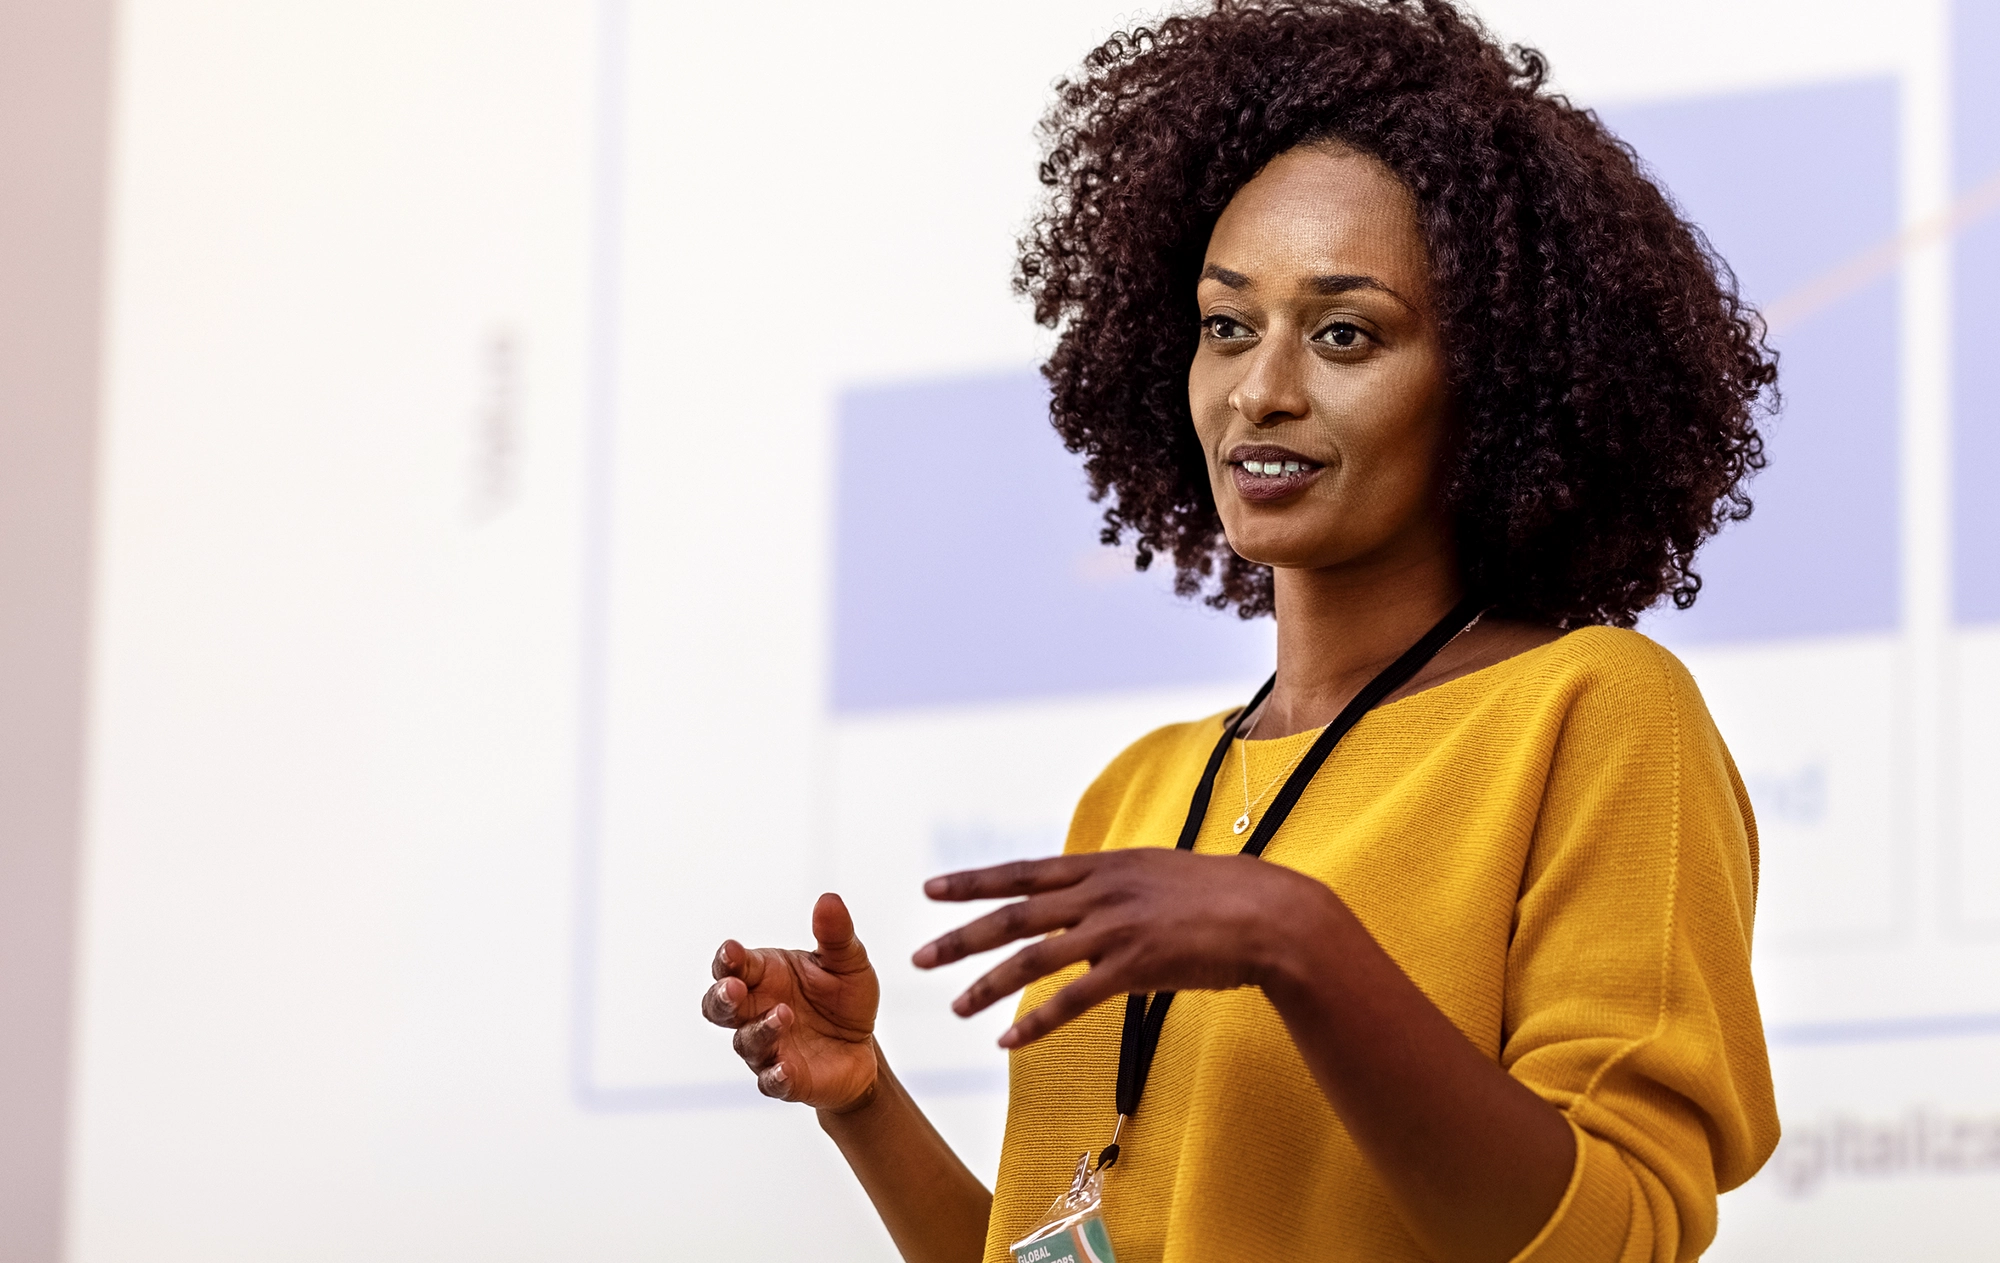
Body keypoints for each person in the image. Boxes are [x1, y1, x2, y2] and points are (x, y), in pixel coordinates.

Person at [699, 2, 1781, 1259]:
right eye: (1226, 326)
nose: (1260, 391)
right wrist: (865, 1101)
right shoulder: (1138, 792)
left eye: (1343, 332)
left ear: (1492, 381)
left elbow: (1616, 1236)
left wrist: (1294, 937)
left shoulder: (1594, 712)